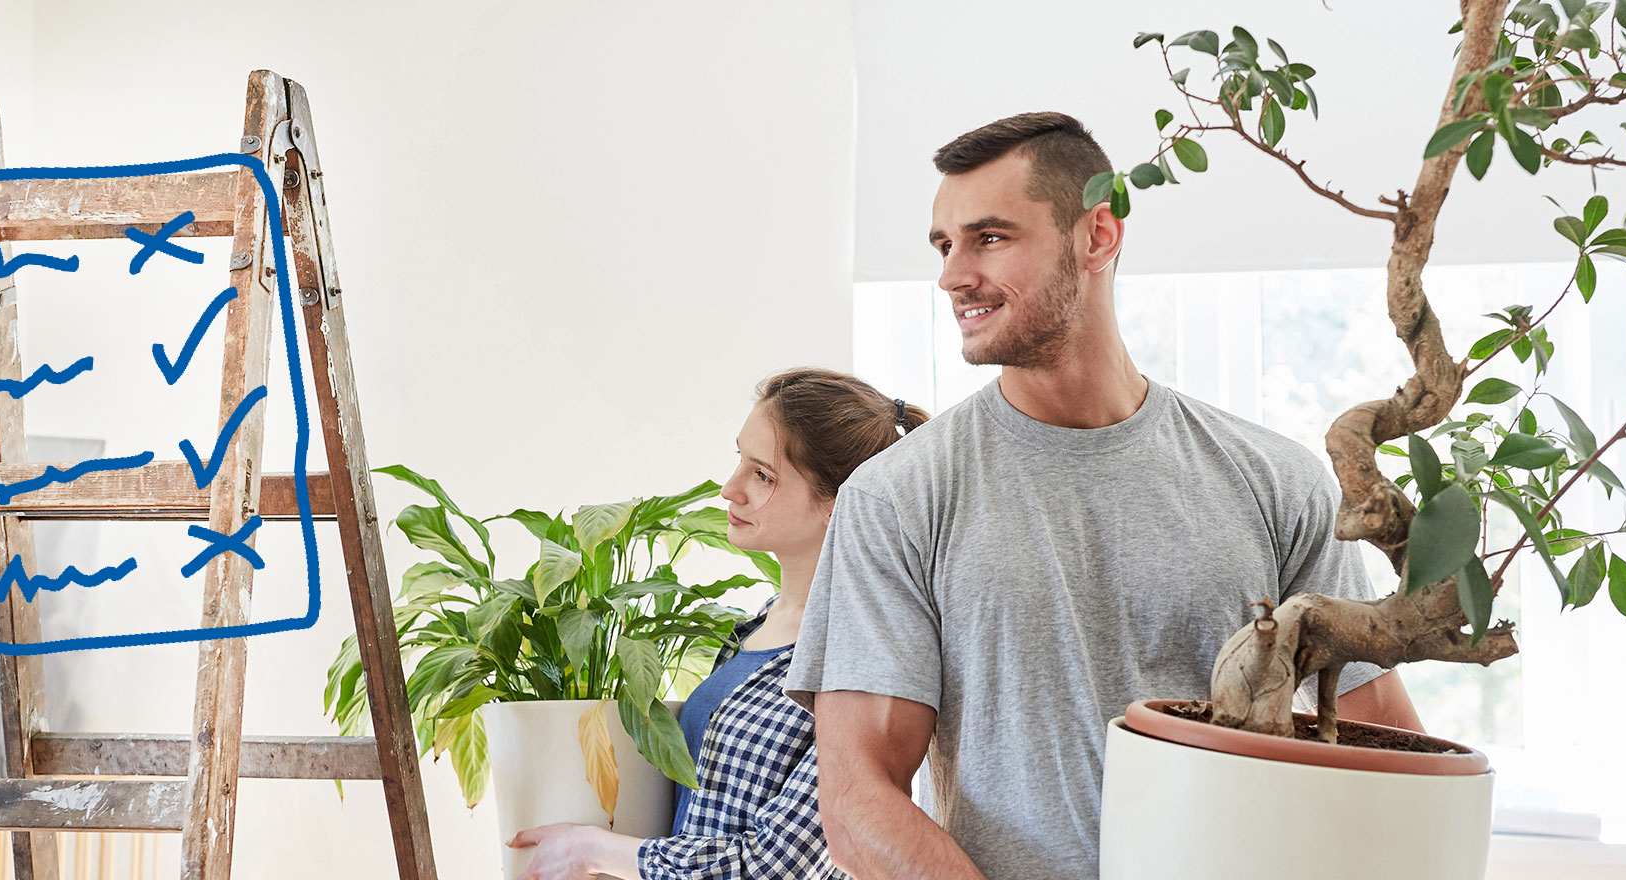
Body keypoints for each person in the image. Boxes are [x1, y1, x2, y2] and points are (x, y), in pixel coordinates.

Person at [784, 112, 1426, 880]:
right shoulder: (896, 498)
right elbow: (859, 801)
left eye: (989, 238)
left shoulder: (1276, 480)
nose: (953, 275)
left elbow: (1378, 745)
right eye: (944, 245)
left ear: (1097, 236)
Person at [509, 367, 929, 880]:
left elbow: (780, 864)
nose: (730, 489)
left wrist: (596, 851)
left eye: (763, 475)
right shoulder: (750, 628)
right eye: (740, 460)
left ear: (839, 503)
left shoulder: (862, 652)